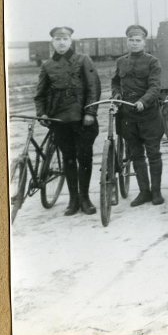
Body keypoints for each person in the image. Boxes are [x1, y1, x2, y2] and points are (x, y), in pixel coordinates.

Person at [34, 26, 101, 215]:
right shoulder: (47, 65)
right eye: (57, 39)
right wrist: (43, 114)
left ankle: (85, 198)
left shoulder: (83, 60)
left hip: (82, 120)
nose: (61, 42)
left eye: (65, 38)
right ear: (52, 42)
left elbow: (93, 88)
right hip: (59, 121)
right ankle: (73, 200)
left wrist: (91, 112)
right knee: (68, 159)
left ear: (71, 41)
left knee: (84, 158)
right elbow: (39, 95)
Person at [111, 25, 165, 207]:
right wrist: (117, 95)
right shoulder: (120, 62)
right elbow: (116, 83)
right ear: (127, 41)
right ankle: (144, 192)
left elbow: (155, 87)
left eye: (138, 40)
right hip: (128, 115)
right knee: (135, 154)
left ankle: (156, 192)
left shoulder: (152, 62)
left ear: (144, 42)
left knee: (153, 154)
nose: (134, 43)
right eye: (131, 40)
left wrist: (144, 101)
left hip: (149, 115)